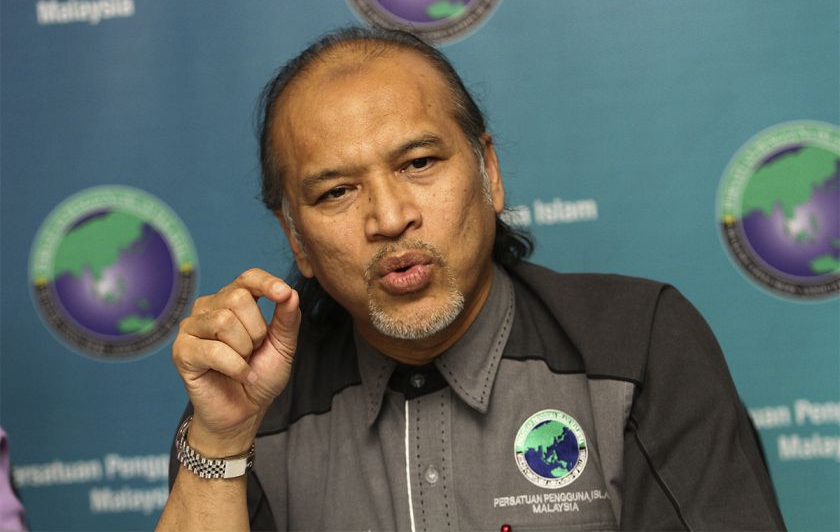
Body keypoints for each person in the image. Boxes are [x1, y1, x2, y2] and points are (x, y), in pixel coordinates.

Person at [158, 27, 785, 531]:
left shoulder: (637, 346)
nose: (390, 217)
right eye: (338, 191)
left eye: (420, 163)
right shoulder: (252, 407)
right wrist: (218, 441)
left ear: (489, 172)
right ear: (297, 237)